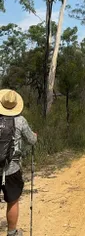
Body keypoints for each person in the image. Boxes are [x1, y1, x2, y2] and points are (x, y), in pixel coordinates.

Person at [0, 89, 37, 236]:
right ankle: (12, 232)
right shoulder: (20, 121)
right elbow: (32, 140)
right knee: (13, 200)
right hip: (12, 168)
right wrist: (34, 135)